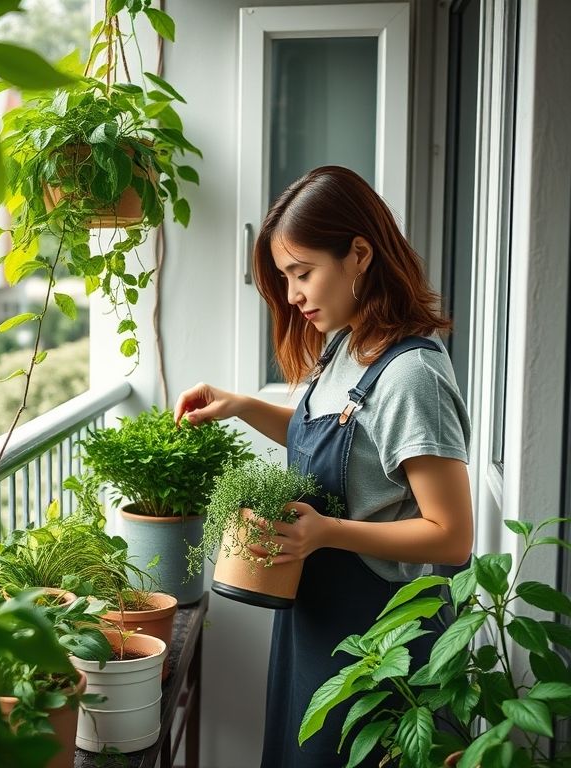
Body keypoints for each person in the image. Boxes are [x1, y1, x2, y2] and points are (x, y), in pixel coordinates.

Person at [173, 166, 473, 767]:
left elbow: (453, 538)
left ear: (359, 254)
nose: (292, 296)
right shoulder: (345, 345)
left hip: (383, 643)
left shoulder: (412, 377)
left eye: (302, 273)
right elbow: (347, 446)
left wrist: (327, 532)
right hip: (314, 627)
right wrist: (242, 406)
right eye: (285, 278)